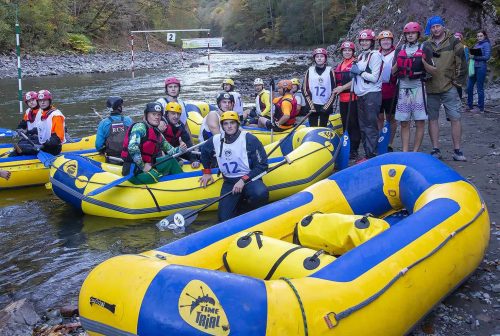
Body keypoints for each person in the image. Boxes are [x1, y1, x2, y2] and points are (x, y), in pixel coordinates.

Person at [199, 111, 269, 221]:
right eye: (226, 124)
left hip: (249, 179)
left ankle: (252, 215)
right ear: (222, 126)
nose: (229, 126)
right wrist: (207, 172)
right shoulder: (216, 140)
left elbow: (263, 165)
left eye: (232, 123)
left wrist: (243, 180)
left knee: (260, 193)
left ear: (237, 124)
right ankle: (238, 208)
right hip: (229, 182)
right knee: (223, 219)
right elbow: (204, 152)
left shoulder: (249, 139)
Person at [425, 16, 467, 161]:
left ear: (443, 26)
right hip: (431, 88)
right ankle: (435, 149)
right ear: (430, 29)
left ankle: (457, 150)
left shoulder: (454, 41)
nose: (436, 29)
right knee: (433, 119)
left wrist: (457, 82)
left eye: (438, 26)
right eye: (433, 27)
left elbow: (462, 62)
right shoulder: (426, 44)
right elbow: (422, 63)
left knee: (455, 118)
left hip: (450, 87)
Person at [392, 22, 436, 152]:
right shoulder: (400, 49)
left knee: (419, 121)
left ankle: (415, 151)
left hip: (418, 87)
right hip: (403, 88)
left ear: (418, 34)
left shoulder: (425, 48)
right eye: (408, 33)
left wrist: (423, 62)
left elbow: (434, 70)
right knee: (404, 122)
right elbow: (393, 72)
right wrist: (399, 62)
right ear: (405, 35)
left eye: (413, 33)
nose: (410, 35)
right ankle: (405, 151)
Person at [121, 102, 187, 184]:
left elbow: (171, 151)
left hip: (149, 164)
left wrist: (180, 149)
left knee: (170, 160)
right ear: (146, 115)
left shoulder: (157, 133)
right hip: (133, 170)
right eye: (153, 114)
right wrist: (143, 166)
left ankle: (183, 181)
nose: (157, 117)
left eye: (159, 115)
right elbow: (132, 147)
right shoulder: (140, 127)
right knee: (156, 175)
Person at [350, 29, 383, 161]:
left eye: (366, 40)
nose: (364, 43)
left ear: (372, 42)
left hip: (372, 94)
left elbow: (374, 77)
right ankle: (368, 153)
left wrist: (359, 72)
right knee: (363, 126)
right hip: (361, 95)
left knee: (370, 126)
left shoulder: (375, 55)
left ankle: (372, 154)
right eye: (362, 41)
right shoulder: (361, 56)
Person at [13, 90, 66, 156]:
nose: (42, 102)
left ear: (49, 101)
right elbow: (40, 128)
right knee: (21, 143)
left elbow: (57, 138)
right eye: (40, 101)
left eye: (45, 100)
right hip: (44, 142)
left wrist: (42, 146)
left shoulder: (56, 115)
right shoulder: (43, 113)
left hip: (53, 148)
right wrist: (27, 132)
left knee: (21, 148)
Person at [333, 41, 361, 160]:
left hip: (353, 98)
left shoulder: (356, 63)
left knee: (353, 124)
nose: (347, 52)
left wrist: (342, 88)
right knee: (345, 123)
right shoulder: (340, 65)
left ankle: (354, 149)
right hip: (343, 99)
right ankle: (347, 145)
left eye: (349, 50)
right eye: (345, 50)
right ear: (342, 52)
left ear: (353, 52)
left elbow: (356, 80)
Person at [158, 101, 200, 168]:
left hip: (176, 150)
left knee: (197, 156)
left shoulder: (180, 126)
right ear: (167, 114)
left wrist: (193, 159)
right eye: (173, 113)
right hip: (163, 152)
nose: (176, 116)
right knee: (177, 160)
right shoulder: (160, 124)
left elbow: (188, 143)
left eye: (178, 114)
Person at [303, 48, 336, 127]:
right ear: (314, 59)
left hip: (325, 105)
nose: (319, 58)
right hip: (312, 105)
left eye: (321, 56)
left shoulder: (330, 70)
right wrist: (310, 105)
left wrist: (327, 106)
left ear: (325, 58)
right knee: (313, 127)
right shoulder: (309, 70)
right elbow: (304, 89)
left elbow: (334, 90)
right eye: (317, 56)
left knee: (323, 126)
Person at [377, 30, 398, 151]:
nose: (386, 42)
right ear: (380, 42)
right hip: (378, 90)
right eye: (383, 40)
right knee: (379, 117)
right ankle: (381, 140)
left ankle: (389, 143)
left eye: (388, 40)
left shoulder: (396, 53)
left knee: (391, 118)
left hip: (391, 89)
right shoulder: (376, 54)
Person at [467, 30, 492, 113]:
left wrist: (474, 57)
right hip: (473, 68)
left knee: (479, 88)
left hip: (481, 67)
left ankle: (481, 108)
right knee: (469, 87)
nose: (479, 37)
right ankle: (469, 106)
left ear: (484, 36)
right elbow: (473, 55)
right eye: (478, 36)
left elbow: (487, 57)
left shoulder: (486, 44)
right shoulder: (477, 44)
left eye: (481, 36)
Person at [454, 32, 469, 100]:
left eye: (458, 38)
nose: (456, 39)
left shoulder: (464, 47)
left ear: (461, 38)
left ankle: (460, 99)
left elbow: (466, 58)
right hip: (453, 68)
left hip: (461, 68)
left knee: (458, 84)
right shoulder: (452, 47)